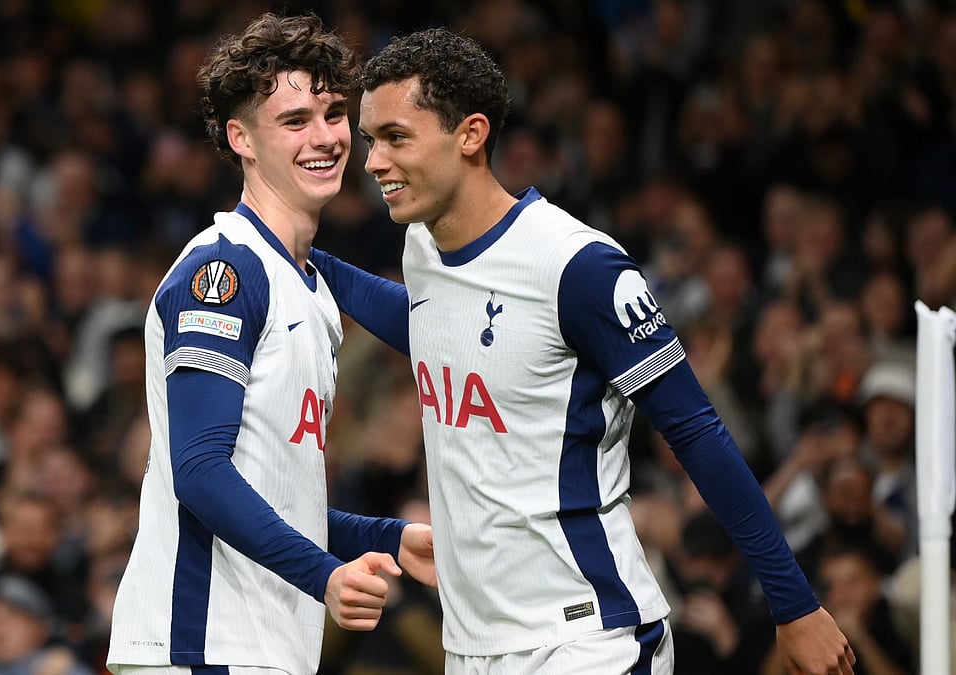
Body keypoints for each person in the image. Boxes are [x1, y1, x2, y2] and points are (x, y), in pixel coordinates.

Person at [310, 27, 854, 675]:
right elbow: (440, 330)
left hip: (586, 637)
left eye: (396, 137)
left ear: (471, 134)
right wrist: (299, 251)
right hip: (473, 642)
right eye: (371, 140)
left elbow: (697, 431)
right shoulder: (424, 245)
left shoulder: (579, 267)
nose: (372, 162)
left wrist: (794, 605)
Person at [106, 13, 435, 675]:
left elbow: (277, 496)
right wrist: (324, 576)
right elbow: (199, 472)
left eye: (333, 115)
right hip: (203, 641)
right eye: (293, 121)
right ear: (242, 138)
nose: (324, 138)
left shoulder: (309, 286)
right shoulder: (222, 271)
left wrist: (388, 538)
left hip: (258, 646)